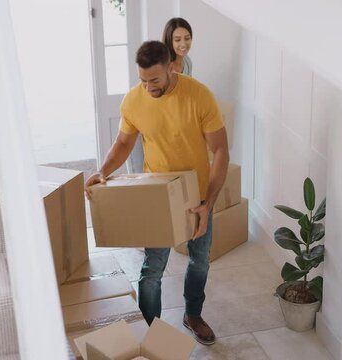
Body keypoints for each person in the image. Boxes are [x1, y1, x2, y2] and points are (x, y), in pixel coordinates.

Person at [85, 41, 229, 346]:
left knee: (200, 260)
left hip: (197, 195)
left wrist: (208, 204)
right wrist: (103, 171)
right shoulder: (133, 101)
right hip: (160, 197)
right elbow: (124, 143)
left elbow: (220, 151)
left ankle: (193, 314)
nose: (148, 87)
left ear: (171, 68)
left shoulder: (199, 96)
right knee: (153, 269)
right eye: (142, 80)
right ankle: (152, 335)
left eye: (155, 80)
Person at [126, 18, 195, 174]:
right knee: (139, 178)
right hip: (144, 125)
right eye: (177, 39)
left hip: (163, 128)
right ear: (169, 40)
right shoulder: (162, 65)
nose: (183, 44)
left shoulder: (188, 62)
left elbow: (185, 97)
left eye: (187, 38)